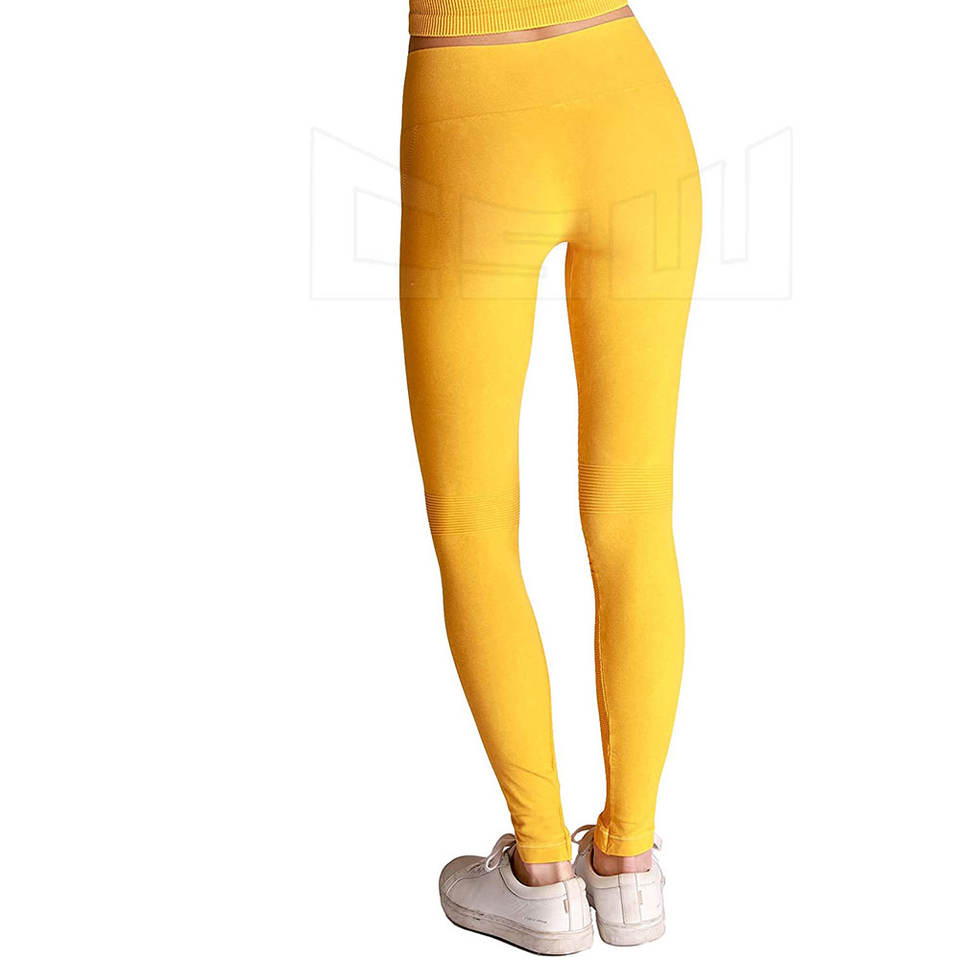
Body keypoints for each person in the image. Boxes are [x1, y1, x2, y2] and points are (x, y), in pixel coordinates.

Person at [399, 2, 701, 952]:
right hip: (629, 97)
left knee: (473, 520)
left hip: (471, 110)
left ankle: (539, 875)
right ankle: (628, 864)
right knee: (634, 510)